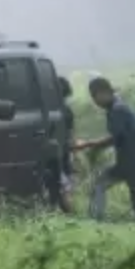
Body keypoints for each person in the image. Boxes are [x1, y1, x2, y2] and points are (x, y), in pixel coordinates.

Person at [74, 76, 135, 223]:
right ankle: (95, 221)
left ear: (104, 92)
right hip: (127, 161)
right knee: (100, 184)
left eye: (95, 96)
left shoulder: (118, 109)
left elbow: (114, 138)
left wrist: (88, 144)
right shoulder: (115, 108)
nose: (95, 101)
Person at [56, 75, 77, 214]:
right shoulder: (67, 110)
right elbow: (70, 134)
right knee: (66, 185)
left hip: (58, 152)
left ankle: (69, 213)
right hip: (65, 152)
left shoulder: (54, 110)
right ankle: (69, 213)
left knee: (63, 186)